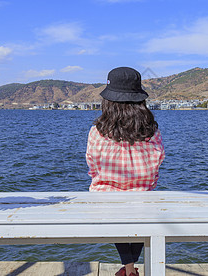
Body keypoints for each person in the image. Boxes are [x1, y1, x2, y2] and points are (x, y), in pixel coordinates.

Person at [86, 67, 165, 276]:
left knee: (111, 205)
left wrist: (102, 181)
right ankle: (130, 269)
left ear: (108, 100)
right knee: (144, 205)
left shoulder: (97, 130)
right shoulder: (151, 130)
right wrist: (146, 183)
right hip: (143, 195)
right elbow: (157, 163)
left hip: (105, 197)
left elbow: (92, 165)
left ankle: (129, 269)